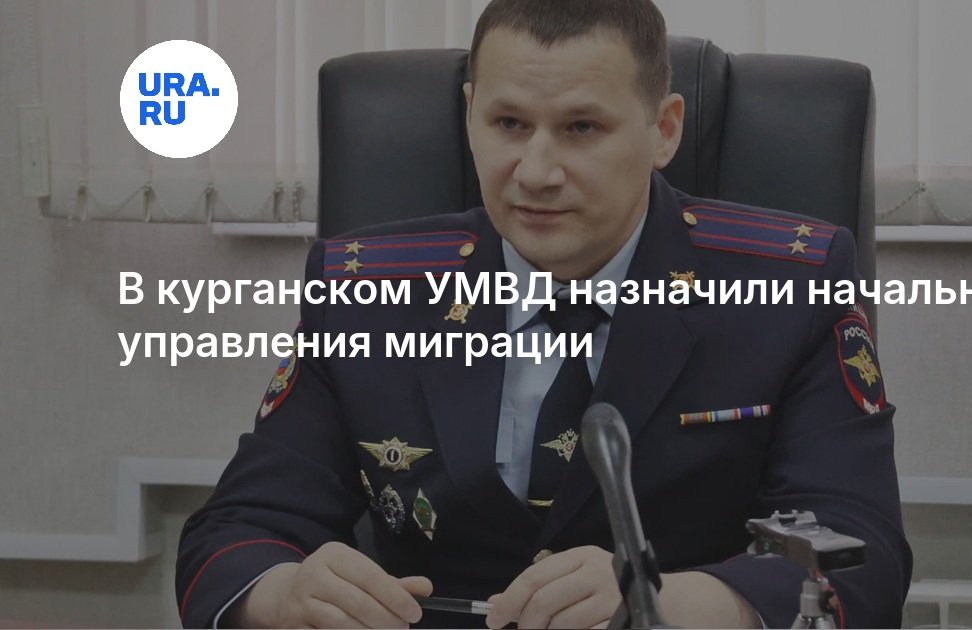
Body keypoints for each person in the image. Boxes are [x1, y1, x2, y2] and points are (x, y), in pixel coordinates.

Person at [176, 0, 911, 627]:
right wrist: (285, 595)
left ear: (663, 130)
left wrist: (662, 602)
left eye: (582, 128)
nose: (535, 172)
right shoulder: (364, 290)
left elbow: (859, 551)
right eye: (508, 123)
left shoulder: (790, 286)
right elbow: (236, 531)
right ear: (469, 114)